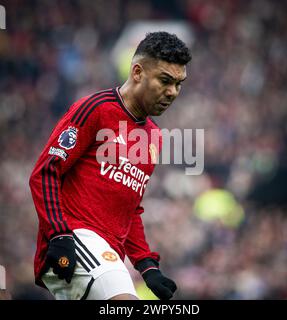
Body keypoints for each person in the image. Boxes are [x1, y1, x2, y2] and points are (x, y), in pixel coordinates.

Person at [29, 31, 192, 300]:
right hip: (75, 238)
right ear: (138, 72)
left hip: (107, 253)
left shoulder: (152, 136)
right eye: (165, 80)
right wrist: (59, 234)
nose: (172, 92)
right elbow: (45, 172)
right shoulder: (96, 109)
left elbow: (129, 209)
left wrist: (147, 265)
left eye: (178, 83)